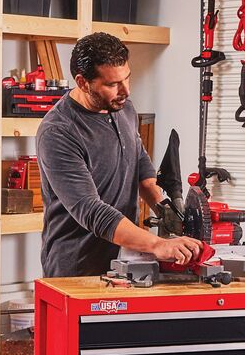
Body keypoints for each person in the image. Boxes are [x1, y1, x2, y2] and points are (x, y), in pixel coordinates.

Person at [36, 32, 203, 277]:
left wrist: (164, 209)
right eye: (112, 84)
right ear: (83, 82)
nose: (125, 90)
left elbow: (140, 165)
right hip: (77, 268)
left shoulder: (122, 106)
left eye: (127, 78)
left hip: (126, 260)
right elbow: (90, 210)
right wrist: (157, 244)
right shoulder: (58, 132)